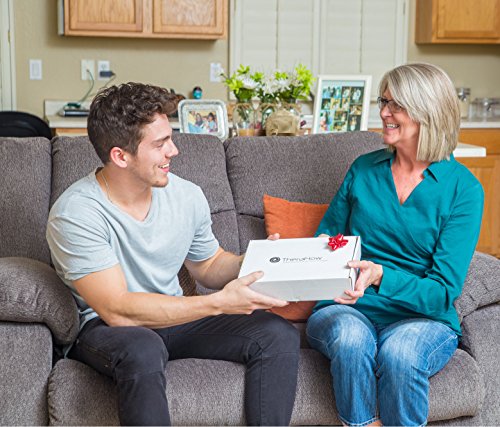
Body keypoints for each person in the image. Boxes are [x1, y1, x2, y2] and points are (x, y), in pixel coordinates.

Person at [46, 82, 300, 426]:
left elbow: (208, 266)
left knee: (277, 333)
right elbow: (118, 310)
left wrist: (254, 261)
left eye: (171, 137)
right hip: (105, 328)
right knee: (143, 348)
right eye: (161, 143)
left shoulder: (186, 195)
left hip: (174, 318)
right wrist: (218, 303)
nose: (174, 151)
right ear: (121, 156)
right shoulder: (76, 213)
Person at [306, 63, 483, 426]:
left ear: (427, 111)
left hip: (423, 317)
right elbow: (331, 236)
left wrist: (380, 275)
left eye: (395, 105)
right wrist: (321, 248)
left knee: (401, 352)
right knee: (351, 339)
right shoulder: (363, 169)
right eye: (383, 102)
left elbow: (442, 291)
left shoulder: (463, 189)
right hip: (348, 306)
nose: (383, 113)